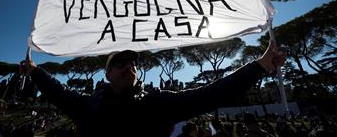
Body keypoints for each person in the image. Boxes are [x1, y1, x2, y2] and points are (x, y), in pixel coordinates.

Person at [20, 41, 286, 137]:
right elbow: (58, 92)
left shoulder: (157, 102)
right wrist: (34, 71)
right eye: (120, 63)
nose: (128, 66)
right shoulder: (88, 105)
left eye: (132, 63)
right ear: (107, 73)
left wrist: (260, 65)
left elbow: (212, 94)